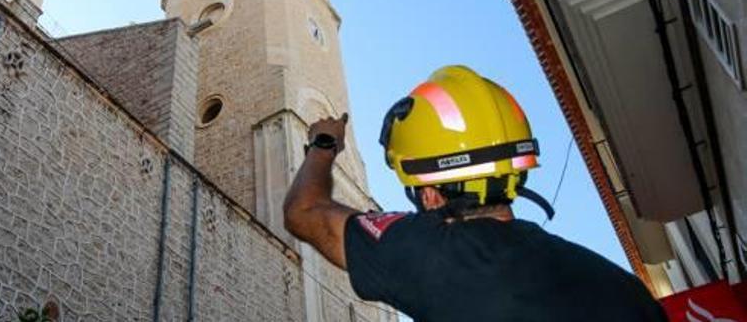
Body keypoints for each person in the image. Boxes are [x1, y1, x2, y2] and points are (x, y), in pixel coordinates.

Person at [283, 65, 667, 321]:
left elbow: (304, 211)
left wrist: (323, 143)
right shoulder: (622, 287)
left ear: (431, 195)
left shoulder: (428, 251)